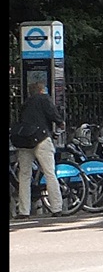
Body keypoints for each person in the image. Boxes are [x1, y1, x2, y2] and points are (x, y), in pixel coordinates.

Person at [13, 72, 66, 218]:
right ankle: (56, 207)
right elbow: (54, 115)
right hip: (42, 138)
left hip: (25, 141)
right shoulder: (44, 99)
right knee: (49, 172)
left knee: (24, 175)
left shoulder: (26, 103)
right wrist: (60, 123)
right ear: (42, 90)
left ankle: (24, 211)